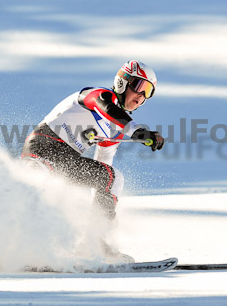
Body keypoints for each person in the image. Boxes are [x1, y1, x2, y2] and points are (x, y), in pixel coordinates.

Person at [21, 60, 165, 261]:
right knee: (36, 192)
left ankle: (93, 245)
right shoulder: (99, 95)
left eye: (148, 92)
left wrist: (100, 216)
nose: (141, 96)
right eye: (139, 87)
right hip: (43, 149)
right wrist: (137, 131)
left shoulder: (113, 130)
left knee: (114, 180)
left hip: (65, 160)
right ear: (122, 82)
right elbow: (106, 107)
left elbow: (105, 175)